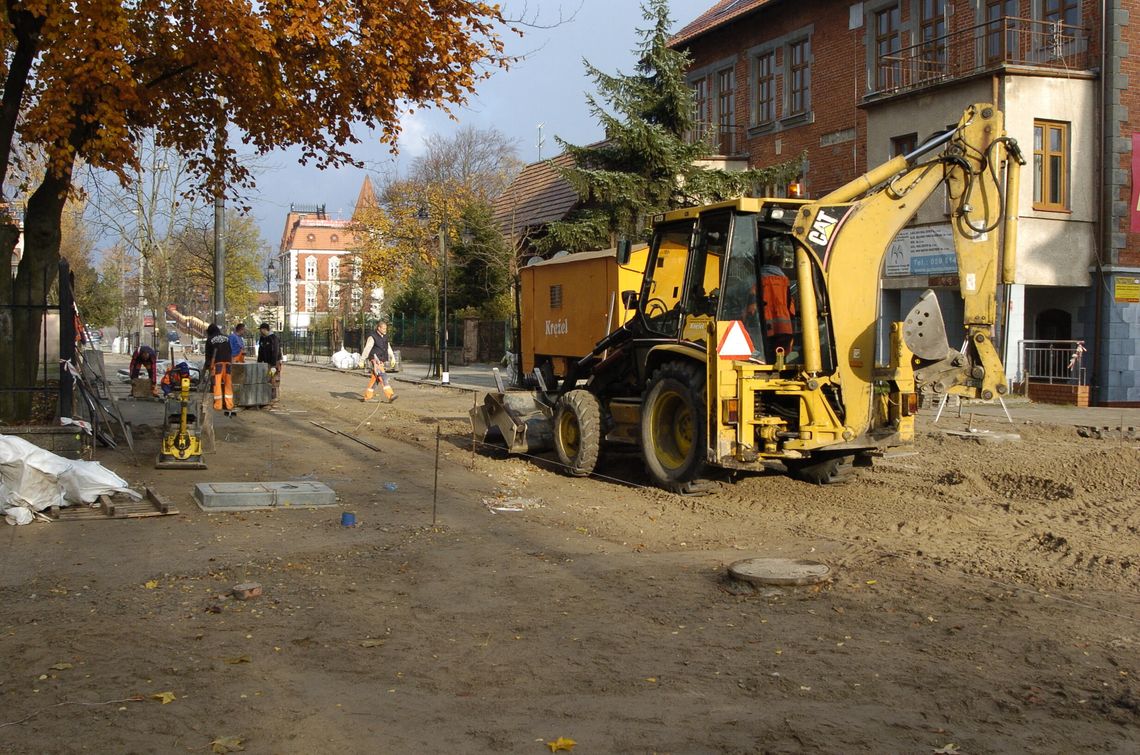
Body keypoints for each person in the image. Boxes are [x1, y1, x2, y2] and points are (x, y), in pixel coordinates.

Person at [204, 323, 236, 415]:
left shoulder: (210, 339)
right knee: (228, 384)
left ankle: (218, 405)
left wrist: (208, 365)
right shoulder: (226, 337)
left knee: (216, 384)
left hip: (217, 363)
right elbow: (230, 350)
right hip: (228, 363)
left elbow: (208, 355)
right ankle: (229, 405)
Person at [361, 321, 397, 402]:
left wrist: (393, 357)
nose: (385, 330)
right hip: (375, 360)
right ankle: (390, 395)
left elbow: (388, 347)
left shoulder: (385, 337)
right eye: (383, 328)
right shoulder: (372, 337)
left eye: (386, 329)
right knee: (382, 376)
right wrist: (362, 359)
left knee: (375, 379)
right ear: (379, 328)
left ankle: (367, 396)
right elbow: (367, 348)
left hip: (381, 360)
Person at [256, 322, 282, 403]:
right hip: (266, 363)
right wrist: (259, 362)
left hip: (274, 362)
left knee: (272, 378)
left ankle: (273, 396)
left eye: (260, 330)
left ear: (264, 330)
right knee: (267, 378)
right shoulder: (262, 338)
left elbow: (275, 351)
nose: (260, 332)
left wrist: (274, 365)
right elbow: (260, 350)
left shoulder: (273, 338)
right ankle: (267, 395)